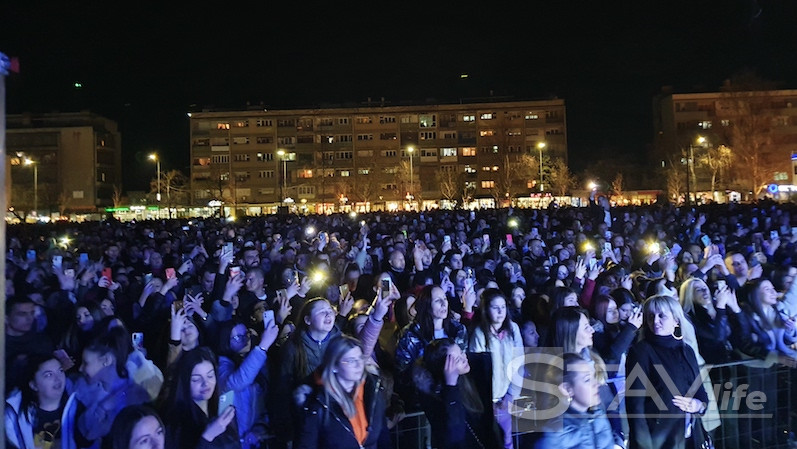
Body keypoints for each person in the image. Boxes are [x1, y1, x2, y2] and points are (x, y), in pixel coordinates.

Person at [625, 295, 709, 449]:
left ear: (676, 320)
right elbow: (635, 405)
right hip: (658, 439)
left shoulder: (687, 350)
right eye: (651, 316)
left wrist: (698, 405)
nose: (655, 321)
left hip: (690, 434)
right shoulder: (641, 351)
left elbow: (700, 390)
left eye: (661, 315)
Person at [295, 335, 390, 449]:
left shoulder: (373, 390)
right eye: (351, 361)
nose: (358, 365)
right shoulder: (318, 403)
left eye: (360, 358)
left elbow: (383, 437)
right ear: (334, 366)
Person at [71, 326, 151, 447]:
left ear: (106, 360)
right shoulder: (82, 392)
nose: (80, 368)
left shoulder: (137, 386)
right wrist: (103, 407)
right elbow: (84, 437)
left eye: (86, 363)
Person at [415, 338, 501, 449]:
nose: (464, 358)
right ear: (445, 367)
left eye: (461, 352)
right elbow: (455, 433)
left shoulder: (473, 374)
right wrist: (451, 384)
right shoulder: (438, 396)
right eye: (456, 360)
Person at [468, 288, 523, 449]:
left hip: (506, 398)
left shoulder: (513, 329)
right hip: (487, 402)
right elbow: (477, 372)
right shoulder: (479, 333)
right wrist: (486, 400)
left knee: (506, 440)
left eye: (503, 307)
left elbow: (519, 363)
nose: (500, 311)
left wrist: (511, 395)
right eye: (495, 307)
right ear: (486, 309)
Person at [216, 317, 279, 449]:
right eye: (238, 338)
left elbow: (266, 402)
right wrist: (263, 346)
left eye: (246, 334)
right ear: (226, 342)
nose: (245, 340)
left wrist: (260, 429)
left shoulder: (260, 363)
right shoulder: (222, 365)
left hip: (254, 440)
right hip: (232, 441)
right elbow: (238, 381)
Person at [533, 353, 617, 449]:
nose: (596, 383)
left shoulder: (599, 416)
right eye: (587, 380)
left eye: (593, 377)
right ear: (567, 389)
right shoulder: (554, 434)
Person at [162, 347, 240, 449]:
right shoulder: (175, 423)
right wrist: (207, 437)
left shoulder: (220, 409)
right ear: (184, 382)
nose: (206, 383)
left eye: (210, 376)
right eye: (196, 379)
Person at [5, 355, 71, 449]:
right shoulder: (16, 417)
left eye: (60, 371)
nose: (58, 378)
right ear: (33, 385)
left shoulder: (76, 407)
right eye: (49, 375)